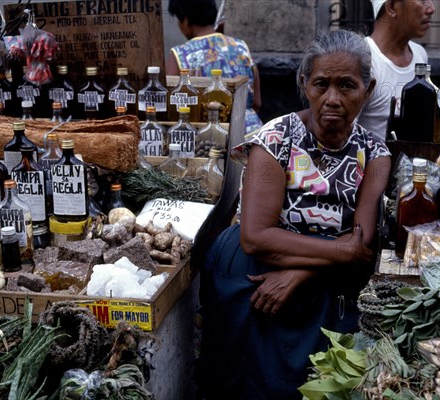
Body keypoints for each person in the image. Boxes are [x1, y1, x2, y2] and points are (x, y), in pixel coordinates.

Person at [198, 29, 391, 400]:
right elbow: (255, 236)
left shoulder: (375, 153)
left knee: (311, 380)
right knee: (239, 380)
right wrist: (340, 251)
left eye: (347, 86)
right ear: (304, 83)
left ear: (368, 89)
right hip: (254, 270)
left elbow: (362, 245)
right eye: (321, 84)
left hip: (323, 274)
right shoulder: (275, 139)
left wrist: (303, 271)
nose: (332, 99)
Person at [166, 0, 263, 134]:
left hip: (210, 138)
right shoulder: (241, 47)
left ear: (186, 20)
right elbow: (257, 103)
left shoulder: (179, 55)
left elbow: (170, 107)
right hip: (253, 132)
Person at [357, 0, 436, 140]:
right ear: (392, 7)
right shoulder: (362, 59)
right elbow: (342, 136)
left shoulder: (419, 55)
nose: (431, 9)